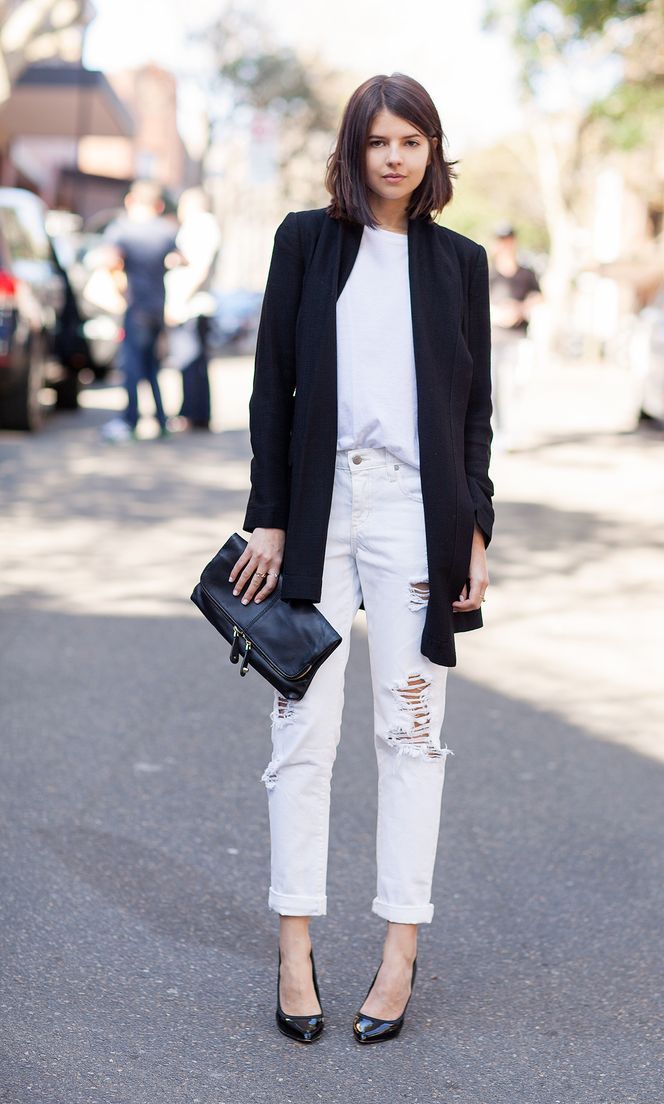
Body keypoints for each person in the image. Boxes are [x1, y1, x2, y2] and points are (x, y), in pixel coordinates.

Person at [228, 73, 494, 1045]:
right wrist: (268, 518)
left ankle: (399, 950)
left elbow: (475, 411)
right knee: (303, 731)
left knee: (412, 733)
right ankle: (294, 946)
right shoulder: (306, 241)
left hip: (417, 515)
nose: (393, 156)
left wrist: (475, 527)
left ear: (431, 153)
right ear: (354, 148)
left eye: (410, 141)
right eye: (378, 140)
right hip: (318, 510)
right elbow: (272, 386)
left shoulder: (459, 262)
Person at [99, 180, 179, 443]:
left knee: (132, 366)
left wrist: (119, 284)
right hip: (157, 306)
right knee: (152, 366)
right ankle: (161, 420)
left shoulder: (122, 228)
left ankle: (129, 420)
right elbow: (181, 259)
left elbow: (109, 259)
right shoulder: (166, 230)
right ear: (158, 205)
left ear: (130, 200)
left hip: (135, 307)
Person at [165, 188, 221, 431]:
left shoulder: (202, 226)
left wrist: (178, 303)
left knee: (190, 363)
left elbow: (200, 269)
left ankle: (192, 415)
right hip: (191, 306)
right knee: (192, 364)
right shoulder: (200, 226)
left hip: (191, 307)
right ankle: (194, 414)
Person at [489, 223, 542, 449]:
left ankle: (513, 431)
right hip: (494, 339)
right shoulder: (489, 273)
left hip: (518, 338)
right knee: (493, 388)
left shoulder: (526, 273)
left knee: (515, 386)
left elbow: (538, 297)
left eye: (509, 240)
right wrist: (499, 314)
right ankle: (498, 432)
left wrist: (519, 309)